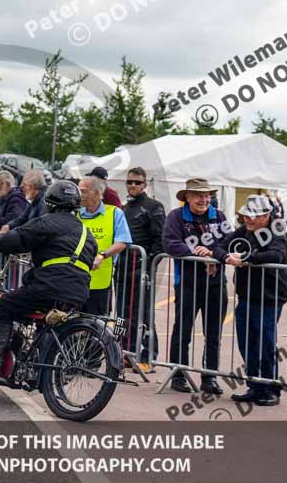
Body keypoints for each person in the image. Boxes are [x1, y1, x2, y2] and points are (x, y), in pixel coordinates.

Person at [0, 180, 98, 378]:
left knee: (4, 306)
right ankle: (33, 368)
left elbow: (13, 239)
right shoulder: (87, 233)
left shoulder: (46, 222)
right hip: (78, 293)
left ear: (50, 203)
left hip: (49, 287)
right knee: (43, 322)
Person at [213, 195, 287, 407]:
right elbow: (220, 247)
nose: (247, 219)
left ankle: (271, 389)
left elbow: (276, 255)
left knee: (266, 343)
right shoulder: (243, 231)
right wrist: (226, 257)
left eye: (252, 216)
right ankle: (255, 386)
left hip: (270, 296)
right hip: (246, 295)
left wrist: (245, 259)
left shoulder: (277, 230)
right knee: (246, 342)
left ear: (266, 215)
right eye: (245, 215)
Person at [162, 178, 229, 395]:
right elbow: (170, 243)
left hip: (216, 284)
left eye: (207, 195)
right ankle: (178, 375)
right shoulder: (176, 216)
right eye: (199, 195)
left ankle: (209, 378)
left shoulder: (219, 216)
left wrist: (212, 253)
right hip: (188, 283)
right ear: (187, 197)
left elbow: (229, 241)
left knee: (213, 334)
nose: (204, 199)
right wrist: (196, 251)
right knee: (182, 330)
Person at [122, 167, 166, 372]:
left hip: (142, 269)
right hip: (122, 268)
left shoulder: (154, 207)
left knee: (144, 313)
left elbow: (160, 240)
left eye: (137, 182)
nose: (133, 185)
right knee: (122, 313)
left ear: (145, 185)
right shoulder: (124, 208)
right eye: (129, 182)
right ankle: (126, 352)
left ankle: (149, 356)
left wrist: (148, 266)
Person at [78, 176, 131, 316]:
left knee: (97, 323)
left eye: (83, 191)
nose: (79, 195)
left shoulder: (114, 213)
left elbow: (122, 242)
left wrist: (102, 256)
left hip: (100, 283)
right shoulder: (74, 213)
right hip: (74, 282)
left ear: (96, 193)